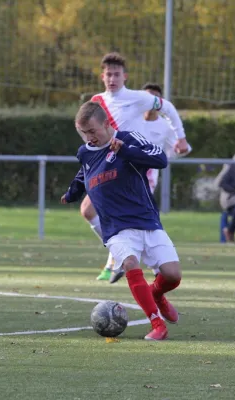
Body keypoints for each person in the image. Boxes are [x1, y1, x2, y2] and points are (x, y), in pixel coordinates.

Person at [62, 101, 182, 341]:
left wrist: (124, 151)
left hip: (146, 220)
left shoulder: (129, 138)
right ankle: (157, 324)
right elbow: (83, 173)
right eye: (83, 132)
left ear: (107, 124)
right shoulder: (85, 151)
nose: (89, 137)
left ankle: (156, 293)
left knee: (172, 276)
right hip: (116, 228)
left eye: (92, 131)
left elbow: (160, 159)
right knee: (129, 262)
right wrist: (72, 192)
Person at [80, 53, 189, 282]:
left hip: (134, 168)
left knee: (142, 221)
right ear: (102, 76)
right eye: (108, 74)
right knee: (88, 211)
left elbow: (167, 106)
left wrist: (180, 137)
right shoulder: (97, 101)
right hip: (108, 167)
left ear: (125, 76)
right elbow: (89, 130)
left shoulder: (138, 98)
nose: (112, 78)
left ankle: (156, 267)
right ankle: (120, 253)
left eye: (116, 74)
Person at [108, 82, 193, 283]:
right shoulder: (133, 119)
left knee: (139, 215)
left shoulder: (164, 125)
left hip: (147, 176)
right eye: (148, 96)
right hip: (123, 172)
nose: (150, 102)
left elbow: (179, 148)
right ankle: (123, 257)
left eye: (155, 97)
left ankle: (142, 261)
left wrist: (181, 150)